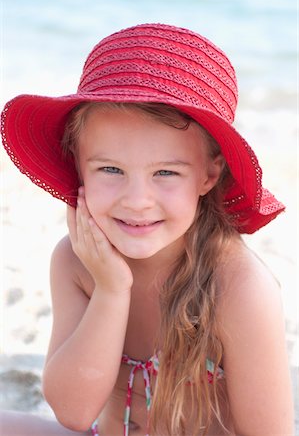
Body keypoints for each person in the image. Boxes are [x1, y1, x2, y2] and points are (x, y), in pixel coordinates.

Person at [0, 23, 294, 436]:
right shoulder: (76, 262)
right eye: (111, 169)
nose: (137, 200)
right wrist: (110, 289)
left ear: (210, 174)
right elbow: (73, 413)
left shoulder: (239, 286)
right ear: (78, 166)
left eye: (166, 173)